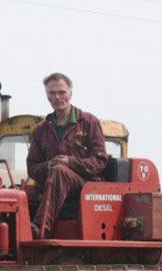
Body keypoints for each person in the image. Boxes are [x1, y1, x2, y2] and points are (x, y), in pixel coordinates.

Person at [26, 72, 108, 238]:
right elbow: (32, 167)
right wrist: (48, 165)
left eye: (61, 92)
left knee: (60, 171)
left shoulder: (89, 122)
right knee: (17, 195)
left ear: (70, 93)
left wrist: (69, 162)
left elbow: (100, 161)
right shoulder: (41, 130)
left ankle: (39, 227)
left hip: (85, 186)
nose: (57, 97)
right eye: (52, 93)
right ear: (47, 96)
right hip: (50, 185)